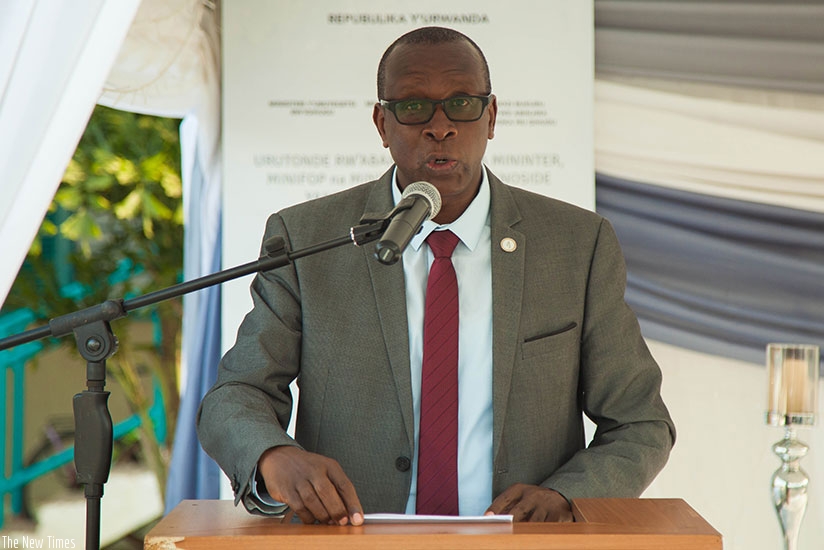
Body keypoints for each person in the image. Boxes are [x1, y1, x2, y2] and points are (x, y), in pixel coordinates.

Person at [197, 26, 675, 526]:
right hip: (353, 538)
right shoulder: (309, 238)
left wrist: (567, 496)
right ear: (382, 124)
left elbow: (640, 422)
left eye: (462, 104)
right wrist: (272, 454)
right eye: (413, 107)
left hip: (518, 542)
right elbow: (236, 394)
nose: (440, 126)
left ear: (491, 118)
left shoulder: (577, 243)